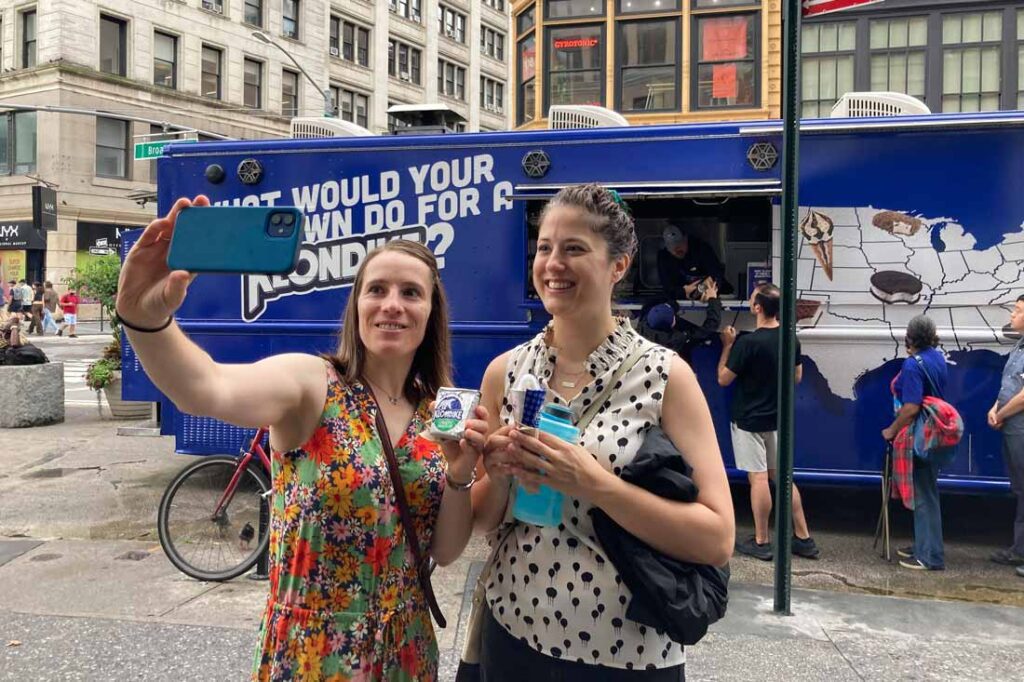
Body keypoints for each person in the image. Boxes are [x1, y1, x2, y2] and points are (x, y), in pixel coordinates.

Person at [116, 195, 488, 680]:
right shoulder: (311, 384)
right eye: (377, 289)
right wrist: (142, 317)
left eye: (411, 293)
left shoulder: (435, 411)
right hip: (313, 654)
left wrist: (460, 474)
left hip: (407, 651)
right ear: (357, 305)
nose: (392, 304)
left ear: (431, 311)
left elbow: (444, 551)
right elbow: (204, 388)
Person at [470, 184, 734, 680]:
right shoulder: (503, 372)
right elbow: (485, 520)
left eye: (574, 249)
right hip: (513, 635)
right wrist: (497, 472)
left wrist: (594, 484)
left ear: (619, 266)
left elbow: (718, 538)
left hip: (627, 654)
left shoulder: (665, 376)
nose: (553, 263)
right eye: (545, 247)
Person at [718, 284, 819, 561]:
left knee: (759, 479)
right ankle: (803, 538)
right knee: (783, 478)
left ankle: (762, 541)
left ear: (758, 307)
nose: (750, 302)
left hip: (749, 420)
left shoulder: (748, 343)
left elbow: (723, 379)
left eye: (752, 299)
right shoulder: (791, 339)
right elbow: (797, 377)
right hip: (778, 419)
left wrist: (727, 346)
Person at [881, 314, 948, 571]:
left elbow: (910, 407)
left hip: (917, 434)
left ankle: (930, 556)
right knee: (928, 491)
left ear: (910, 336)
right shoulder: (937, 358)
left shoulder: (912, 365)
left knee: (924, 495)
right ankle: (924, 545)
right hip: (933, 432)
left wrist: (891, 430)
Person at [987, 295, 1024, 578]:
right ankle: (1018, 550)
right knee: (1020, 490)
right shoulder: (1019, 345)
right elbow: (1010, 385)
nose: (1012, 314)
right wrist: (996, 408)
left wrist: (1001, 414)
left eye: (1018, 311)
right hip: (1012, 426)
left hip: (1019, 427)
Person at [637, 279, 722, 366]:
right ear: (672, 324)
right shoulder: (678, 339)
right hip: (673, 368)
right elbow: (709, 327)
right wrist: (713, 299)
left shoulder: (642, 326)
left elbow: (657, 297)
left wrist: (683, 291)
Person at [656, 225, 733, 302]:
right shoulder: (664, 258)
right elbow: (668, 289)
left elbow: (716, 274)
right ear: (666, 247)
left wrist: (703, 288)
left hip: (713, 296)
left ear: (686, 239)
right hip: (682, 301)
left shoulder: (701, 249)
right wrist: (683, 291)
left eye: (679, 243)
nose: (677, 248)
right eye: (671, 246)